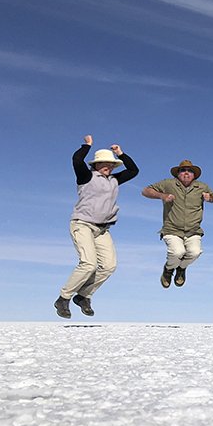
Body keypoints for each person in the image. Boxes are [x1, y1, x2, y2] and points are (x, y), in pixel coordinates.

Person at [54, 135, 139, 319]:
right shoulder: (86, 177)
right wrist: (87, 145)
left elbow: (134, 170)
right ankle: (63, 298)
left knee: (109, 266)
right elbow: (77, 160)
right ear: (96, 164)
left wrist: (121, 154)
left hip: (102, 230)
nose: (108, 166)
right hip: (82, 224)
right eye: (104, 163)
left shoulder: (114, 180)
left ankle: (83, 296)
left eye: (111, 163)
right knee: (89, 264)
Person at [141, 159, 213, 288]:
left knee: (195, 252)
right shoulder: (168, 184)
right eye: (183, 170)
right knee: (177, 252)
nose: (186, 173)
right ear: (177, 173)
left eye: (189, 171)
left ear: (194, 175)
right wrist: (162, 196)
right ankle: (168, 269)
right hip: (172, 229)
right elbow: (146, 191)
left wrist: (210, 198)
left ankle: (181, 269)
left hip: (193, 230)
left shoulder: (202, 187)